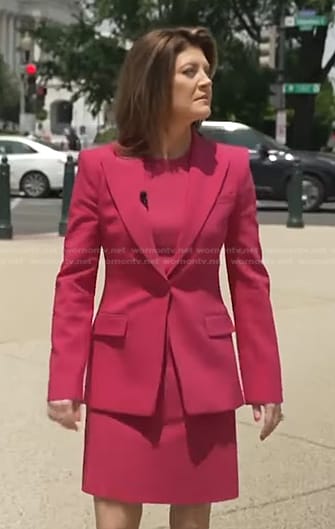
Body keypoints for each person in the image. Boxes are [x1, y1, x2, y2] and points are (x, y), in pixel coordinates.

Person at [47, 26, 284, 529]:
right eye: (190, 71)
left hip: (203, 376)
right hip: (120, 375)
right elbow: (75, 280)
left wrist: (264, 380)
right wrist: (65, 378)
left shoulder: (231, 169)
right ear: (154, 82)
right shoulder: (98, 167)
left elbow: (249, 279)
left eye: (208, 72)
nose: (205, 82)